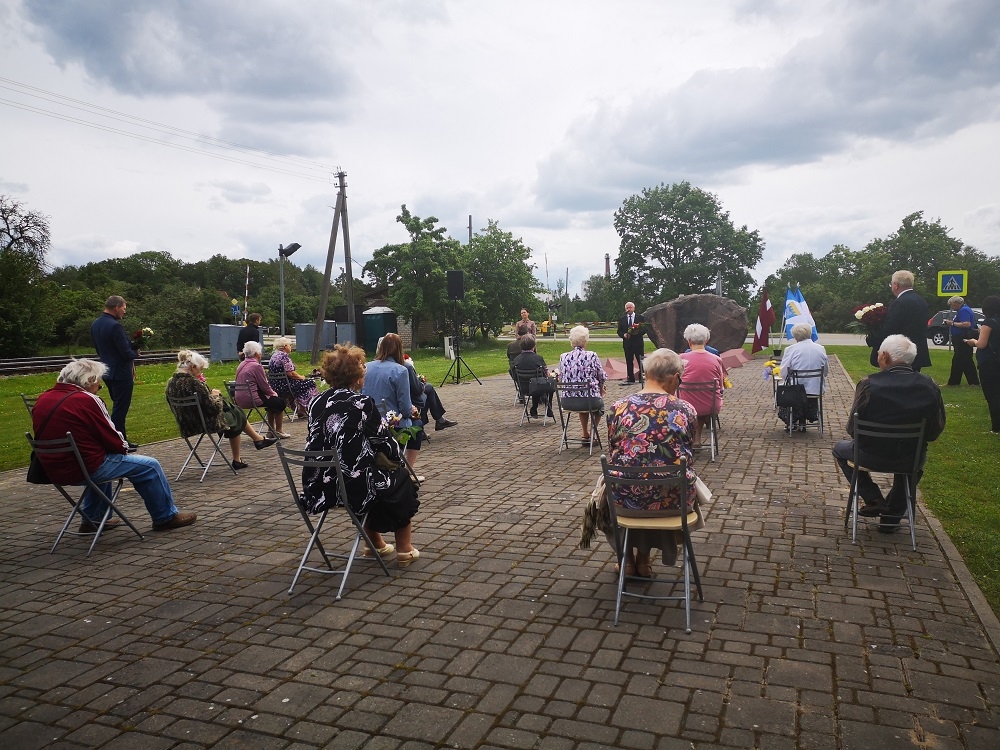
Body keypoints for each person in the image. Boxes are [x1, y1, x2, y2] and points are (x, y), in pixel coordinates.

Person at [32, 359, 196, 532]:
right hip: (84, 469)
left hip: (54, 469)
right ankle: (166, 517)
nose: (99, 389)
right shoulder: (87, 399)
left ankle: (93, 519)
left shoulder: (44, 398)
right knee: (150, 466)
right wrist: (122, 449)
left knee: (102, 459)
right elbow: (114, 438)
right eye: (99, 385)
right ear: (89, 381)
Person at [303, 344, 420, 564]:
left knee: (364, 476)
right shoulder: (361, 403)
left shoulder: (315, 402)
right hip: (348, 484)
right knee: (401, 479)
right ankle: (405, 549)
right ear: (357, 378)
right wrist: (396, 455)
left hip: (318, 483)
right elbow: (384, 443)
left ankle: (374, 544)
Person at [604, 348, 704, 576]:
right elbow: (688, 452)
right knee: (664, 481)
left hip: (624, 502)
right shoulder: (685, 409)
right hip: (674, 504)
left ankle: (627, 560)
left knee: (616, 481)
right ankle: (644, 559)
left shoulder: (617, 408)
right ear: (673, 377)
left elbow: (614, 452)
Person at [833, 335, 946, 531]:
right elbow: (935, 430)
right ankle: (892, 517)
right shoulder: (930, 386)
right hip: (910, 457)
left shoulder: (869, 384)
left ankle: (873, 498)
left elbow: (852, 429)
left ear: (884, 356)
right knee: (913, 464)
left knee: (839, 449)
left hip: (869, 455)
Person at [166, 350, 277, 471]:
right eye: (200, 370)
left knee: (234, 412)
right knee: (236, 416)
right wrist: (215, 396)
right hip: (205, 423)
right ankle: (244, 453)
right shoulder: (195, 384)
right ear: (193, 367)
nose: (201, 373)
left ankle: (253, 444)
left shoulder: (171, 383)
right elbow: (213, 408)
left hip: (186, 424)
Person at [363, 333, 423, 470]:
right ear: (399, 349)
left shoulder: (366, 367)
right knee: (418, 425)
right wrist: (412, 410)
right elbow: (405, 409)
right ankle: (408, 470)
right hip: (392, 425)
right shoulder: (401, 371)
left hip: (369, 424)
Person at [90, 295, 139, 450]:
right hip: (121, 373)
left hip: (107, 371)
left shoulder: (96, 324)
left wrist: (134, 343)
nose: (124, 312)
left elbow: (102, 349)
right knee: (120, 408)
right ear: (116, 307)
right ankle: (119, 442)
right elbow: (125, 353)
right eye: (123, 309)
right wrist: (136, 352)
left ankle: (119, 438)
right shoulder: (115, 326)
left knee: (117, 406)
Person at [869, 270, 931, 371]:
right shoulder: (921, 301)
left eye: (891, 284)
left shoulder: (899, 303)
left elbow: (890, 328)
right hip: (916, 352)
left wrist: (872, 339)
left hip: (900, 354)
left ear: (896, 285)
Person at [678, 324, 726, 446]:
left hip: (684, 406)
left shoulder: (681, 359)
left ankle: (687, 438)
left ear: (689, 342)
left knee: (688, 398)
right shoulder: (716, 359)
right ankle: (697, 438)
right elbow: (720, 386)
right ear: (707, 341)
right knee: (702, 399)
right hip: (710, 405)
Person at [559, 325, 607, 442]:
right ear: (585, 341)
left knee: (582, 396)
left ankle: (585, 433)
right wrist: (602, 387)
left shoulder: (563, 357)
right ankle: (593, 434)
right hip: (589, 400)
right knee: (599, 404)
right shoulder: (591, 355)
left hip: (567, 401)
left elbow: (561, 376)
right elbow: (601, 376)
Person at [778, 322, 829, 431]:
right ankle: (804, 420)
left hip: (795, 391)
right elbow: (825, 371)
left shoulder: (791, 349)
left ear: (795, 336)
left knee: (785, 387)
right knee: (805, 390)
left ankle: (792, 421)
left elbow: (783, 372)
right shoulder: (821, 348)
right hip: (815, 389)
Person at [236, 340, 291, 439]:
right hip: (252, 398)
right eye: (260, 352)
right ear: (257, 353)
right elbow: (264, 385)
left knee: (272, 401)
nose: (261, 354)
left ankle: (271, 430)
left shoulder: (241, 364)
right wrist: (274, 393)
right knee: (280, 402)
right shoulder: (256, 366)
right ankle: (278, 430)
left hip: (239, 399)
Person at [964, 295, 1000, 432]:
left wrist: (973, 341)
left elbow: (982, 344)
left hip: (990, 363)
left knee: (992, 395)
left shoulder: (988, 323)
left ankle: (996, 426)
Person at [402, 351, 457, 431]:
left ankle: (437, 421)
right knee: (427, 392)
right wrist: (421, 384)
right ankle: (437, 420)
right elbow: (417, 389)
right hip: (408, 398)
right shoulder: (406, 366)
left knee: (427, 392)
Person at [267, 337, 319, 418]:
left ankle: (300, 409)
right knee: (310, 383)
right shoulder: (284, 356)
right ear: (285, 346)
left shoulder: (274, 356)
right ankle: (304, 407)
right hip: (285, 386)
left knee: (302, 384)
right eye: (290, 345)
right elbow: (291, 374)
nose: (291, 347)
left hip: (275, 386)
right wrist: (301, 377)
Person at [512, 334, 555, 418]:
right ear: (534, 346)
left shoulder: (516, 359)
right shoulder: (538, 358)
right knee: (550, 384)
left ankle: (534, 408)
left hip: (523, 388)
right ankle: (548, 407)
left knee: (534, 383)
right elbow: (546, 373)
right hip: (538, 387)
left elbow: (513, 374)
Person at [946, 296, 980, 386]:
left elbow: (967, 324)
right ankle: (960, 382)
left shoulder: (963, 310)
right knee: (962, 360)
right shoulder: (963, 310)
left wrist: (952, 323)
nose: (951, 307)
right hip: (961, 338)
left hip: (962, 338)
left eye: (952, 305)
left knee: (962, 360)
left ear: (957, 303)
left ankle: (957, 382)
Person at [617, 301, 646, 384]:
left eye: (630, 307)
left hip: (638, 343)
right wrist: (624, 335)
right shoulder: (622, 319)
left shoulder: (640, 318)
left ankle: (641, 378)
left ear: (634, 308)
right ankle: (630, 378)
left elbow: (644, 330)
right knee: (629, 361)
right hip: (627, 344)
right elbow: (619, 331)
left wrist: (636, 332)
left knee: (640, 360)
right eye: (627, 308)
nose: (628, 309)